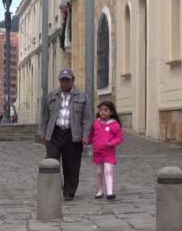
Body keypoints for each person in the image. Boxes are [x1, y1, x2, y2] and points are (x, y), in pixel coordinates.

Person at [38, 68, 93, 201]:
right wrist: (42, 133)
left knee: (71, 165)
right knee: (51, 161)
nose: (64, 83)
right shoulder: (51, 95)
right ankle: (53, 189)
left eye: (67, 80)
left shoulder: (82, 96)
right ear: (59, 81)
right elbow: (44, 116)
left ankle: (69, 191)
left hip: (73, 134)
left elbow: (87, 118)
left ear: (72, 80)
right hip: (55, 133)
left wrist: (86, 135)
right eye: (62, 80)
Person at [87, 101, 124, 200]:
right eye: (100, 110)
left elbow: (119, 137)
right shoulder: (96, 123)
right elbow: (92, 135)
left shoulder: (114, 125)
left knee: (108, 170)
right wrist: (87, 141)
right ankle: (100, 190)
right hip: (97, 152)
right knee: (99, 171)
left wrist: (112, 143)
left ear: (111, 112)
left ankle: (110, 192)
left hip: (109, 152)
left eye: (105, 110)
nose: (102, 112)